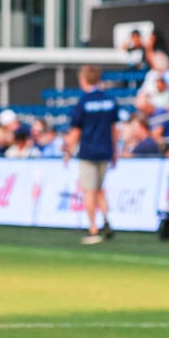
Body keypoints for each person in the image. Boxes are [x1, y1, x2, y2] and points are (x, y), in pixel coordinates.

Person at [63, 65, 119, 245]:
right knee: (100, 189)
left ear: (84, 79)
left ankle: (93, 228)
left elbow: (76, 132)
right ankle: (106, 220)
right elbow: (114, 129)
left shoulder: (84, 102)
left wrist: (68, 151)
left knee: (88, 191)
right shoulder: (110, 100)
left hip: (88, 152)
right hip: (105, 151)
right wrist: (115, 152)